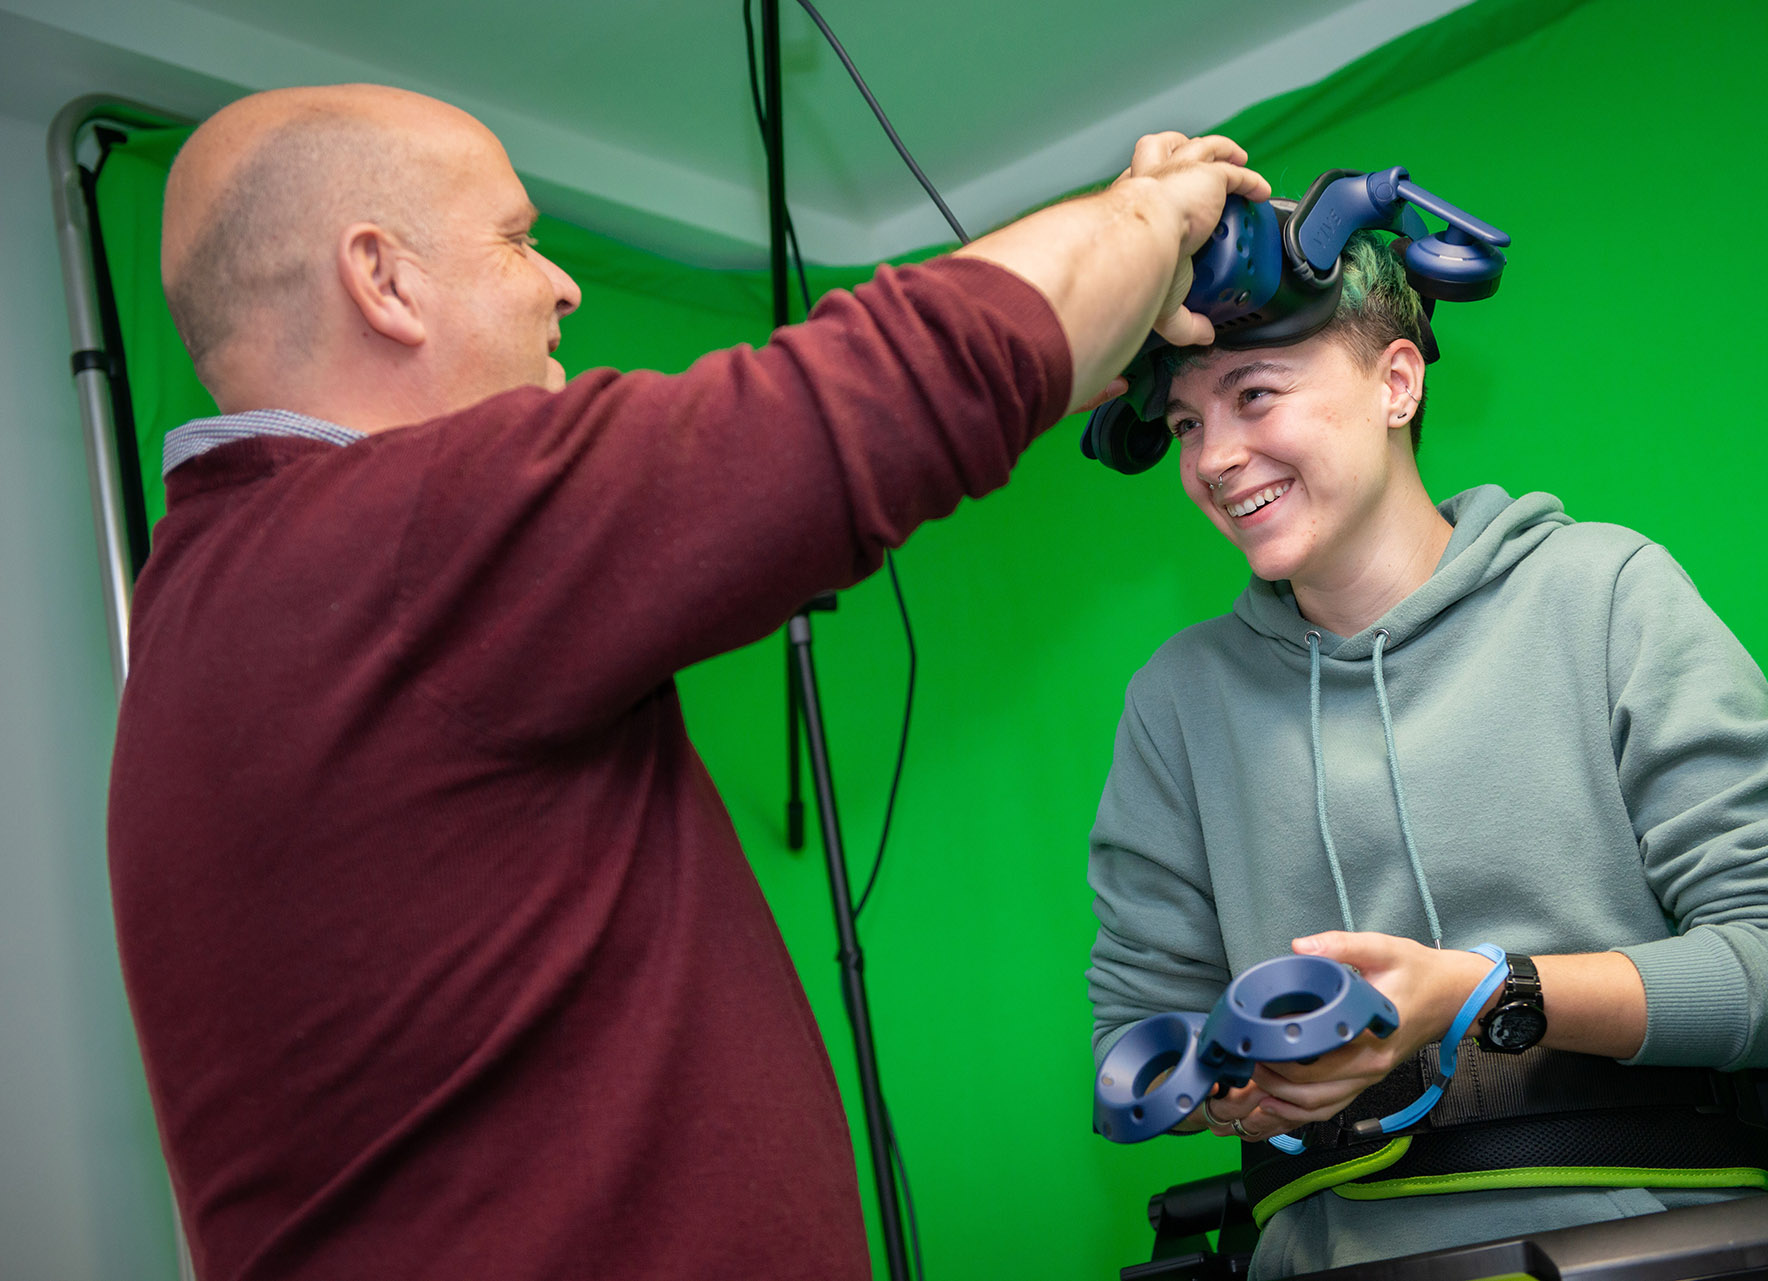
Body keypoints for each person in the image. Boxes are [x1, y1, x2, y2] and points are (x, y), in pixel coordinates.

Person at [106, 82, 1270, 1281]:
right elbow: (893, 387)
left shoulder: (218, 602)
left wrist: (1093, 319)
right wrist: (1145, 221)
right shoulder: (388, 543)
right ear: (383, 280)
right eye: (516, 239)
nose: (561, 285)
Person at [1084, 227, 1768, 1277]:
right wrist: (1245, 1087)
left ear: (1396, 382)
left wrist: (1480, 994)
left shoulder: (1603, 593)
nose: (1213, 459)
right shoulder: (1177, 702)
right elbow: (1135, 1047)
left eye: (1256, 396)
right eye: (1187, 421)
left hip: (1657, 1243)